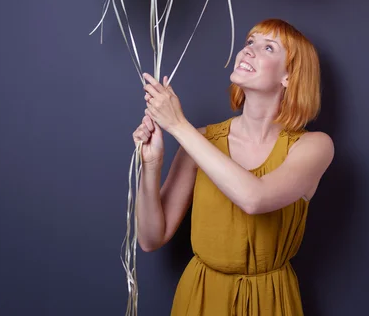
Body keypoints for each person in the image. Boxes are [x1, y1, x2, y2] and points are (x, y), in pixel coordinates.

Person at [133, 18, 334, 315]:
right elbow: (150, 238)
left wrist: (178, 126)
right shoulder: (201, 140)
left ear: (289, 76)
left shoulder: (314, 146)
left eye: (268, 47)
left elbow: (255, 199)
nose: (249, 50)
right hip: (200, 298)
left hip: (271, 300)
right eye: (250, 42)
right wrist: (151, 166)